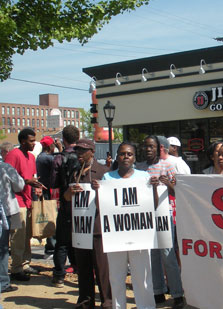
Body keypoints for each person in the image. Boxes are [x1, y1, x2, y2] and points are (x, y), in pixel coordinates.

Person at [99, 142, 156, 309]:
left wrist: (153, 189)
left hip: (139, 236)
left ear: (134, 158)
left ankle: (146, 307)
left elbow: (153, 205)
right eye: (122, 154)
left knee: (143, 278)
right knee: (116, 278)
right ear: (117, 156)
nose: (126, 157)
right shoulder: (107, 178)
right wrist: (98, 191)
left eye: (129, 154)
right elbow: (102, 207)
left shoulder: (144, 177)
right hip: (116, 236)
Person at [136, 136, 186, 308]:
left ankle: (177, 293)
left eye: (152, 147)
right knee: (152, 256)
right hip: (146, 217)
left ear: (159, 149)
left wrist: (167, 184)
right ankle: (158, 291)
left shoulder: (168, 166)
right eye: (146, 147)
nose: (148, 149)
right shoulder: (139, 168)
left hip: (164, 215)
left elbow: (179, 191)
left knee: (168, 254)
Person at [64, 139, 112, 308]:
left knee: (102, 268)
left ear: (92, 151)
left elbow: (111, 198)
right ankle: (85, 301)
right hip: (80, 229)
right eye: (77, 150)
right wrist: (69, 192)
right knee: (83, 268)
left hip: (98, 228)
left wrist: (100, 190)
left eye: (83, 150)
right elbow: (66, 198)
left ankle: (107, 301)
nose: (79, 154)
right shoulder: (75, 171)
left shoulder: (103, 172)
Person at [5, 128, 44, 281]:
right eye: (31, 140)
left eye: (34, 140)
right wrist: (28, 182)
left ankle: (25, 264)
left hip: (28, 200)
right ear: (22, 141)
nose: (34, 143)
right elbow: (7, 177)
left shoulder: (31, 157)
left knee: (27, 235)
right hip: (16, 201)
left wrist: (37, 186)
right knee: (18, 237)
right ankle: (16, 268)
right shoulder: (13, 155)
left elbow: (31, 176)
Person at [50, 125, 81, 287]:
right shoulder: (83, 155)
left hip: (66, 202)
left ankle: (59, 276)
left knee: (62, 241)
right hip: (83, 205)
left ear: (64, 139)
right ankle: (80, 269)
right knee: (82, 239)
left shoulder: (59, 158)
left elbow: (53, 182)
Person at [0, 153, 25, 294]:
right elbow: (19, 185)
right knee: (2, 248)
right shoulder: (5, 168)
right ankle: (3, 282)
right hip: (4, 211)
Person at [36, 136, 56, 255]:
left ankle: (51, 246)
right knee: (51, 219)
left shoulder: (39, 157)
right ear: (49, 146)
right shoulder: (48, 158)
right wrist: (61, 149)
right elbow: (59, 161)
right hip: (49, 192)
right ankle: (51, 246)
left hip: (46, 191)